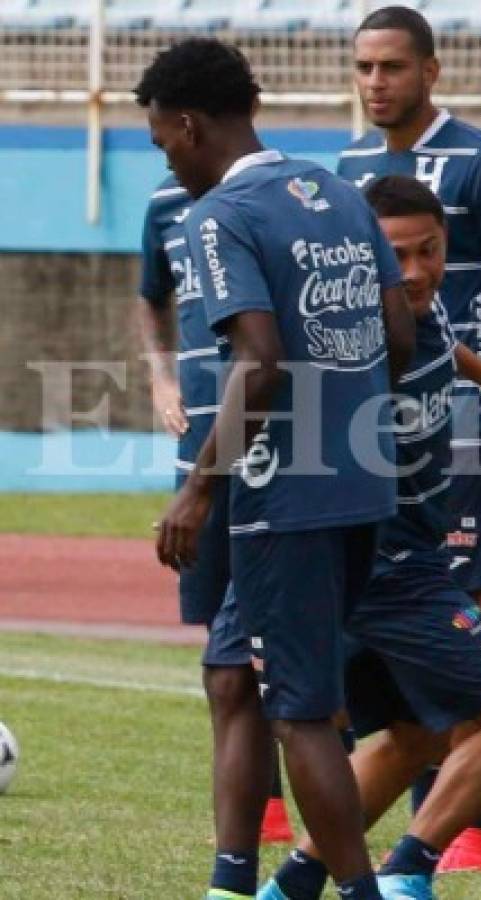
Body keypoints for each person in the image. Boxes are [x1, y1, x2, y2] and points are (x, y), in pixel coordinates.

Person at [140, 38, 416, 900]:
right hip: (361, 481)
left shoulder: (217, 216)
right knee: (232, 675)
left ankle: (357, 893)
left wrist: (196, 493)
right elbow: (398, 338)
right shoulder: (336, 191)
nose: (167, 161)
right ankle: (232, 883)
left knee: (299, 713)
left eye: (161, 142)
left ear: (188, 125)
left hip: (279, 496)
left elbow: (256, 362)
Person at [258, 175, 481, 900]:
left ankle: (291, 886)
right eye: (399, 255)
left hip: (398, 553)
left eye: (432, 251)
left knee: (413, 735)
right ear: (362, 254)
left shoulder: (421, 305)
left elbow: (442, 342)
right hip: (386, 556)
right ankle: (407, 873)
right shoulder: (349, 335)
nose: (419, 271)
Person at [336, 6, 481, 870]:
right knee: (406, 634)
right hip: (373, 435)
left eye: (391, 67)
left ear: (430, 72)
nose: (375, 83)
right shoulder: (351, 166)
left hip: (466, 429)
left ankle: (469, 827)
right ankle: (403, 835)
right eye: (362, 67)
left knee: (455, 612)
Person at [139, 169, 295, 850]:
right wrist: (159, 374)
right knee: (219, 634)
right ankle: (264, 811)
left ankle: (336, 794)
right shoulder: (163, 204)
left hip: (277, 440)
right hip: (197, 439)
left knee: (297, 630)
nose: (160, 150)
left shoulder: (274, 202)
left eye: (163, 133)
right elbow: (149, 296)